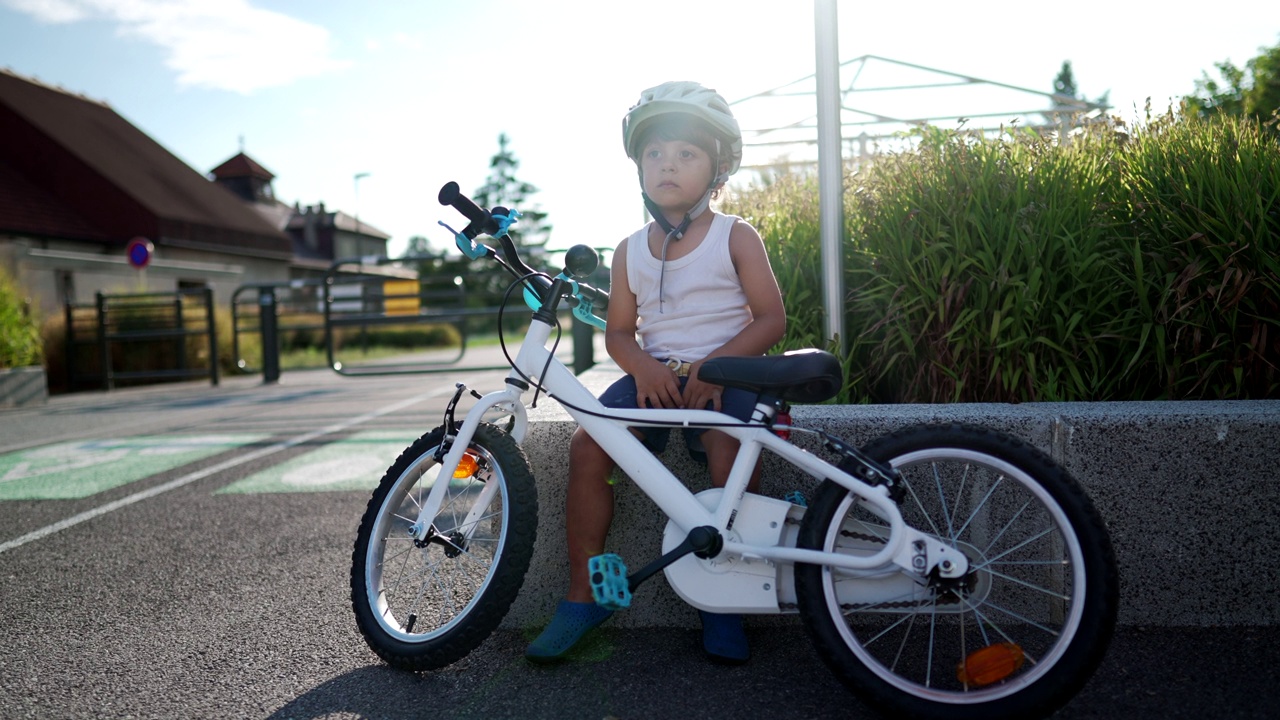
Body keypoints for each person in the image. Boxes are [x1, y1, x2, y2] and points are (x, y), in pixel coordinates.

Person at [525, 81, 786, 664]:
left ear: (717, 170)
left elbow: (771, 319)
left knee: (729, 448)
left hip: (728, 373)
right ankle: (582, 592)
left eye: (686, 154)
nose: (667, 164)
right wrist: (641, 366)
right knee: (589, 447)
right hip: (655, 376)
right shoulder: (628, 249)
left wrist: (716, 369)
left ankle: (722, 599)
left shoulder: (734, 235)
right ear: (639, 167)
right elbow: (619, 332)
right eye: (655, 154)